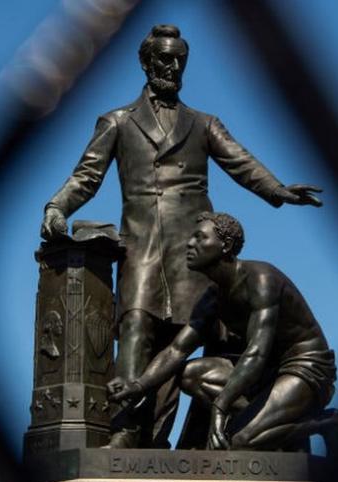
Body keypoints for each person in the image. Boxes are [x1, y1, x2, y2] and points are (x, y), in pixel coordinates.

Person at [40, 25, 323, 448]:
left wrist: (277, 189)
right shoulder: (117, 121)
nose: (175, 67)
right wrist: (58, 206)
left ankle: (190, 438)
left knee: (188, 342)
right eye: (166, 59)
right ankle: (126, 433)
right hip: (142, 247)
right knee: (135, 328)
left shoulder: (203, 123)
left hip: (194, 252)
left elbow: (240, 162)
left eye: (181, 60)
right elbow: (87, 175)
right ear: (147, 62)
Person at [108, 212, 338, 453]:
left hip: (305, 368)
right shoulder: (212, 297)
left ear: (226, 245)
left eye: (200, 238)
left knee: (238, 441)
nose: (190, 244)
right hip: (262, 374)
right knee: (190, 373)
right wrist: (137, 385)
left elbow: (256, 352)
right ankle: (267, 420)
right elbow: (176, 351)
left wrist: (220, 407)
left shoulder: (261, 280)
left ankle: (325, 423)